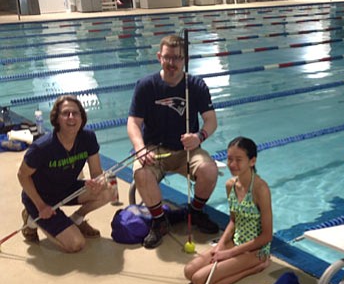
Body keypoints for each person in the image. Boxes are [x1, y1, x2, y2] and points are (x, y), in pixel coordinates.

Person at [128, 34, 220, 249]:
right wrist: (140, 149)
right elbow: (133, 122)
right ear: (159, 57)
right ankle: (159, 221)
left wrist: (199, 137)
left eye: (177, 58)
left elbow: (211, 120)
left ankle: (195, 212)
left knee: (210, 170)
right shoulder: (146, 85)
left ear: (184, 59)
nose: (172, 63)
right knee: (141, 173)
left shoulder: (195, 85)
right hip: (154, 149)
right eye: (168, 57)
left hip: (186, 151)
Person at [17, 95, 113, 253]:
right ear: (57, 119)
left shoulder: (88, 138)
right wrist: (41, 206)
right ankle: (31, 219)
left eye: (75, 113)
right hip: (41, 197)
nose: (71, 117)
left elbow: (97, 172)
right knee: (76, 244)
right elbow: (22, 175)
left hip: (67, 189)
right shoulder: (42, 147)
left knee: (108, 190)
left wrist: (98, 182)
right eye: (65, 113)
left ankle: (77, 219)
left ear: (82, 117)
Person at [184, 137, 272, 284]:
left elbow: (266, 236)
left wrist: (230, 253)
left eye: (239, 160)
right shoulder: (230, 185)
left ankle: (254, 268)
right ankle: (234, 259)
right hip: (235, 242)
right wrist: (221, 245)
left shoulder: (261, 189)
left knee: (199, 280)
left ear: (252, 161)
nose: (232, 164)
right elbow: (233, 220)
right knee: (189, 271)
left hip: (255, 250)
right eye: (230, 159)